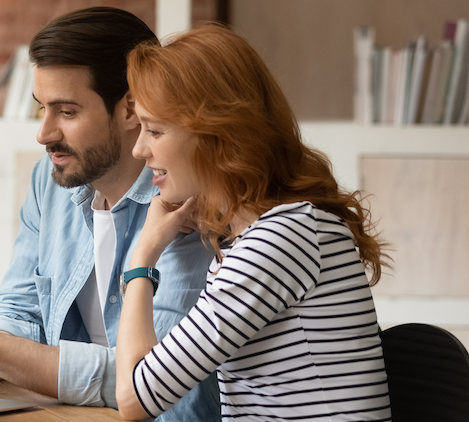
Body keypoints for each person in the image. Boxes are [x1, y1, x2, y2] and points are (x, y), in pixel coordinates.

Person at [0, 7, 220, 420]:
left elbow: (157, 380)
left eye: (67, 112)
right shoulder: (52, 182)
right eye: (41, 108)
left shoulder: (185, 199)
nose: (44, 134)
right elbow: (20, 308)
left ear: (131, 109)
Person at [115, 23, 392, 420]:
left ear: (218, 134)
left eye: (155, 130)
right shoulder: (269, 236)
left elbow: (135, 399)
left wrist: (142, 257)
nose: (140, 149)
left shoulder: (281, 240)